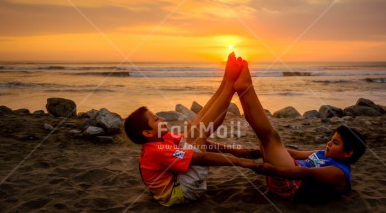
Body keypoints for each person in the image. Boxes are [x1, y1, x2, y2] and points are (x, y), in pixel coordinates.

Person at [124, 53, 260, 207]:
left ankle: (226, 82)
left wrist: (232, 150)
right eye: (156, 119)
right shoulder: (157, 150)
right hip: (182, 191)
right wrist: (240, 162)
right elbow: (201, 157)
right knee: (197, 132)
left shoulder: (162, 138)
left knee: (192, 130)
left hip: (179, 179)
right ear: (147, 133)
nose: (162, 119)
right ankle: (229, 87)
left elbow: (198, 143)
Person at [233, 59, 366, 203]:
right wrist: (259, 152)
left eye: (335, 142)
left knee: (272, 137)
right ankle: (242, 91)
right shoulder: (323, 153)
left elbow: (305, 173)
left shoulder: (339, 172)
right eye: (331, 140)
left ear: (348, 153)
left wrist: (267, 168)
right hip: (285, 176)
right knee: (264, 138)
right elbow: (294, 153)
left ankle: (246, 87)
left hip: (293, 185)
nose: (329, 143)